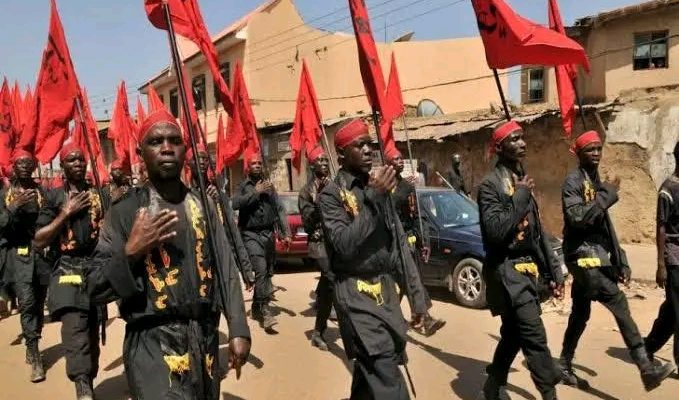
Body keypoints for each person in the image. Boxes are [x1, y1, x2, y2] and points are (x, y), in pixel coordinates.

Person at [87, 109, 251, 400]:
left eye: (174, 140)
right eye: (156, 141)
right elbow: (95, 287)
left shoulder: (203, 206)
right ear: (141, 153)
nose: (166, 148)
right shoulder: (124, 213)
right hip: (152, 345)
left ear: (184, 150)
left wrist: (238, 327)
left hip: (204, 341)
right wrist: (131, 252)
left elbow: (225, 267)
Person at [319, 118, 429, 399]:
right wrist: (374, 198)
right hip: (355, 297)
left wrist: (417, 298)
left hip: (387, 293)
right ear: (342, 154)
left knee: (373, 375)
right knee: (386, 376)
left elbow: (399, 246)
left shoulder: (380, 186)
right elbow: (344, 244)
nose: (369, 150)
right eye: (360, 145)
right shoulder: (332, 195)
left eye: (370, 144)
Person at [557, 131, 674, 391]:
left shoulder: (595, 179)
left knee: (580, 313)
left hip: (597, 254)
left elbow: (605, 224)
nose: (597, 154)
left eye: (599, 149)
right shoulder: (572, 182)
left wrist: (620, 258)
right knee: (618, 302)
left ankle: (563, 363)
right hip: (581, 255)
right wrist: (606, 195)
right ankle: (646, 367)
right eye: (591, 150)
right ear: (579, 153)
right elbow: (577, 219)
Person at [477, 120, 564, 400]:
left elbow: (536, 233)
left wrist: (553, 272)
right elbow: (495, 232)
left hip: (527, 271)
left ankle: (493, 384)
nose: (522, 143)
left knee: (514, 334)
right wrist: (521, 195)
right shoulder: (490, 186)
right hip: (506, 272)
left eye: (522, 138)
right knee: (534, 335)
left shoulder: (522, 178)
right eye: (514, 140)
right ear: (500, 148)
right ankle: (549, 393)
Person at [33, 143, 108, 400]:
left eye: (81, 159)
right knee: (75, 330)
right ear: (62, 166)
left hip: (95, 269)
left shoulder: (98, 193)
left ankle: (87, 377)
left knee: (91, 332)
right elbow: (39, 240)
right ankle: (82, 385)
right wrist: (65, 213)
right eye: (71, 160)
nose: (77, 163)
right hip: (66, 269)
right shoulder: (54, 198)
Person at [0, 150, 50, 382]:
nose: (23, 166)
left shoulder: (42, 192)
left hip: (39, 254)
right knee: (27, 302)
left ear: (33, 166)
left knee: (39, 303)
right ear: (13, 166)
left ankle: (34, 338)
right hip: (17, 255)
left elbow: (49, 217)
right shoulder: (5, 194)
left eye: (27, 162)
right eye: (19, 162)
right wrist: (13, 207)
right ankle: (35, 352)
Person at [386, 147, 445, 337]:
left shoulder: (407, 187)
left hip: (405, 242)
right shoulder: (382, 188)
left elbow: (416, 216)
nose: (399, 162)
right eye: (395, 159)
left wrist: (424, 241)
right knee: (401, 282)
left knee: (410, 279)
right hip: (387, 244)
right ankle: (396, 317)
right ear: (388, 164)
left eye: (401, 158)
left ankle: (421, 317)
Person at [232, 153, 290, 332]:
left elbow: (279, 209)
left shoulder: (269, 186)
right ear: (248, 167)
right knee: (261, 270)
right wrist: (255, 193)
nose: (257, 165)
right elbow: (235, 204)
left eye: (259, 163)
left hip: (268, 234)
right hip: (251, 235)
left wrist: (285, 233)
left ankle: (256, 307)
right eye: (253, 163)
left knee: (266, 273)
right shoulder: (243, 186)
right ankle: (265, 311)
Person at [188, 143, 255, 287]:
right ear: (188, 162)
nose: (201, 162)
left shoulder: (218, 195)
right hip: (195, 268)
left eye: (205, 159)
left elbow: (233, 234)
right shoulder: (183, 196)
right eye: (196, 158)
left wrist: (246, 269)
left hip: (219, 262)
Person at [646, 141, 679, 373]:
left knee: (672, 309)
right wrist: (661, 265)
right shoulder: (667, 189)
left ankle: (646, 347)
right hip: (674, 256)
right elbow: (661, 227)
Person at [298, 146, 333, 350]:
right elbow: (308, 222)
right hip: (318, 242)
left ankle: (320, 327)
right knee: (330, 277)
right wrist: (320, 199)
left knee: (331, 284)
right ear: (312, 166)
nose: (324, 163)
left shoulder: (335, 185)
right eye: (319, 161)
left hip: (336, 240)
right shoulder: (306, 191)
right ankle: (319, 332)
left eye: (326, 160)